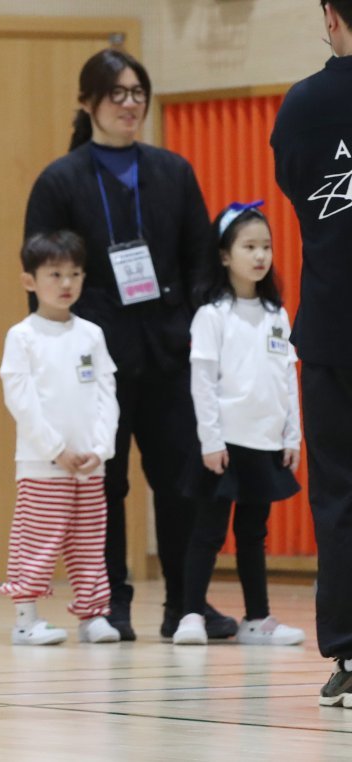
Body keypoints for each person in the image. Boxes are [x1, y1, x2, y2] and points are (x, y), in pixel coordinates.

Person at [24, 48, 236, 641]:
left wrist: (194, 327)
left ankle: (186, 605)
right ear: (87, 102)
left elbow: (201, 260)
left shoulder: (172, 170)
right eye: (116, 93)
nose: (130, 104)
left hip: (169, 354)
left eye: (138, 92)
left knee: (181, 482)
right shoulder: (60, 179)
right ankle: (109, 602)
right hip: (96, 362)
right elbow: (43, 276)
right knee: (104, 486)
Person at [171, 203, 305, 647]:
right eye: (249, 246)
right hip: (223, 443)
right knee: (207, 531)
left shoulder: (277, 315)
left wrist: (292, 436)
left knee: (254, 533)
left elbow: (287, 377)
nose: (260, 255)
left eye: (265, 246)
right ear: (225, 256)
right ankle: (190, 613)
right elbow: (203, 383)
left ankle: (257, 618)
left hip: (264, 442)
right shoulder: (213, 314)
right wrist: (210, 440)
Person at [270, 0, 352, 705]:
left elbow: (298, 190)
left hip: (333, 328)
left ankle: (351, 657)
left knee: (340, 495)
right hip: (330, 331)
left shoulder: (304, 106)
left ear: (330, 14)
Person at [0, 231, 120, 646]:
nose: (66, 283)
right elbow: (22, 399)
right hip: (42, 464)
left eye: (75, 274)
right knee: (37, 539)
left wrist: (100, 449)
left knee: (89, 544)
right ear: (30, 281)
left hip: (89, 465)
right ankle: (25, 618)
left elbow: (107, 395)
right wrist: (55, 449)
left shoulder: (91, 334)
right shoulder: (23, 336)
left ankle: (93, 615)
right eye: (55, 274)